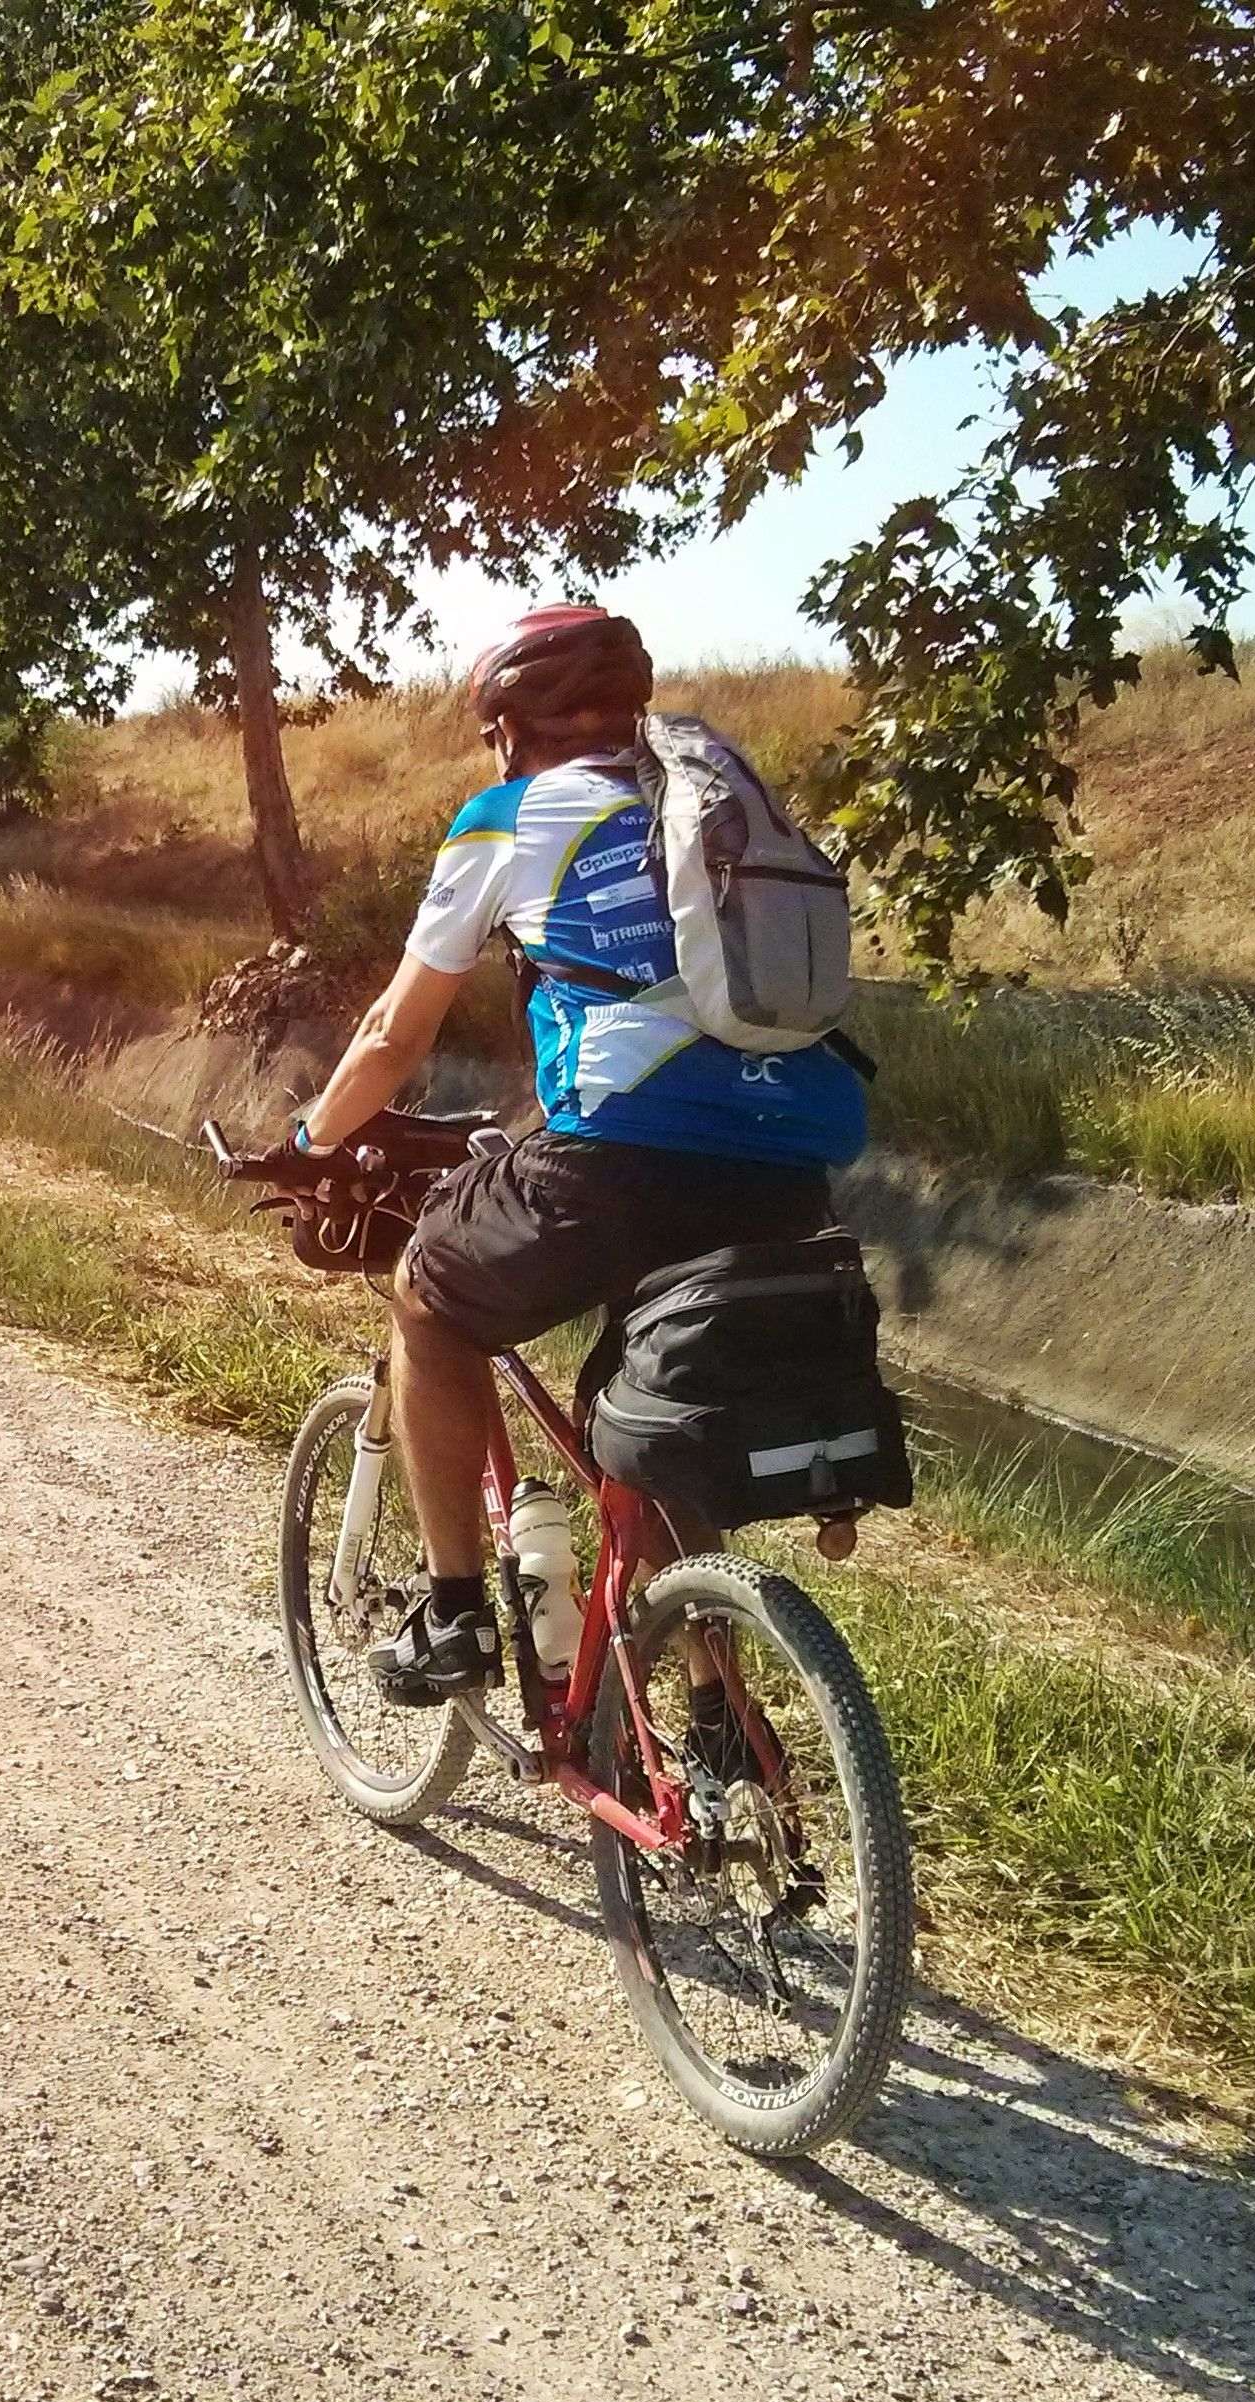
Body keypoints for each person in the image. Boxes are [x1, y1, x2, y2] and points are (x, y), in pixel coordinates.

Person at [293, 606, 868, 1704]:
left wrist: (315, 1138)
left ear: (508, 727)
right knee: (645, 1417)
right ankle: (719, 1724)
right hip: (792, 1162)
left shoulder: (506, 818)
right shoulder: (716, 806)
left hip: (618, 1164)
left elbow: (392, 1036)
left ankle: (455, 1614)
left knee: (426, 1292)